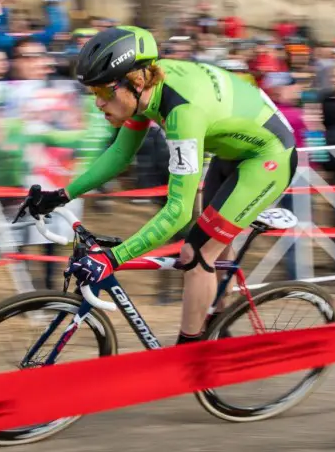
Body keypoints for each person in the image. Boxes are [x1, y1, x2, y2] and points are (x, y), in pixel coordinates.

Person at [21, 26, 298, 345]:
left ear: (136, 82)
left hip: (268, 158)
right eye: (93, 93)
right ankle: (218, 331)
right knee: (211, 250)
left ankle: (189, 352)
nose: (98, 103)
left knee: (195, 254)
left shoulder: (182, 113)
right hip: (232, 152)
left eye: (103, 92)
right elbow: (121, 153)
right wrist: (61, 195)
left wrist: (114, 259)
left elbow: (178, 212)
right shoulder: (146, 92)